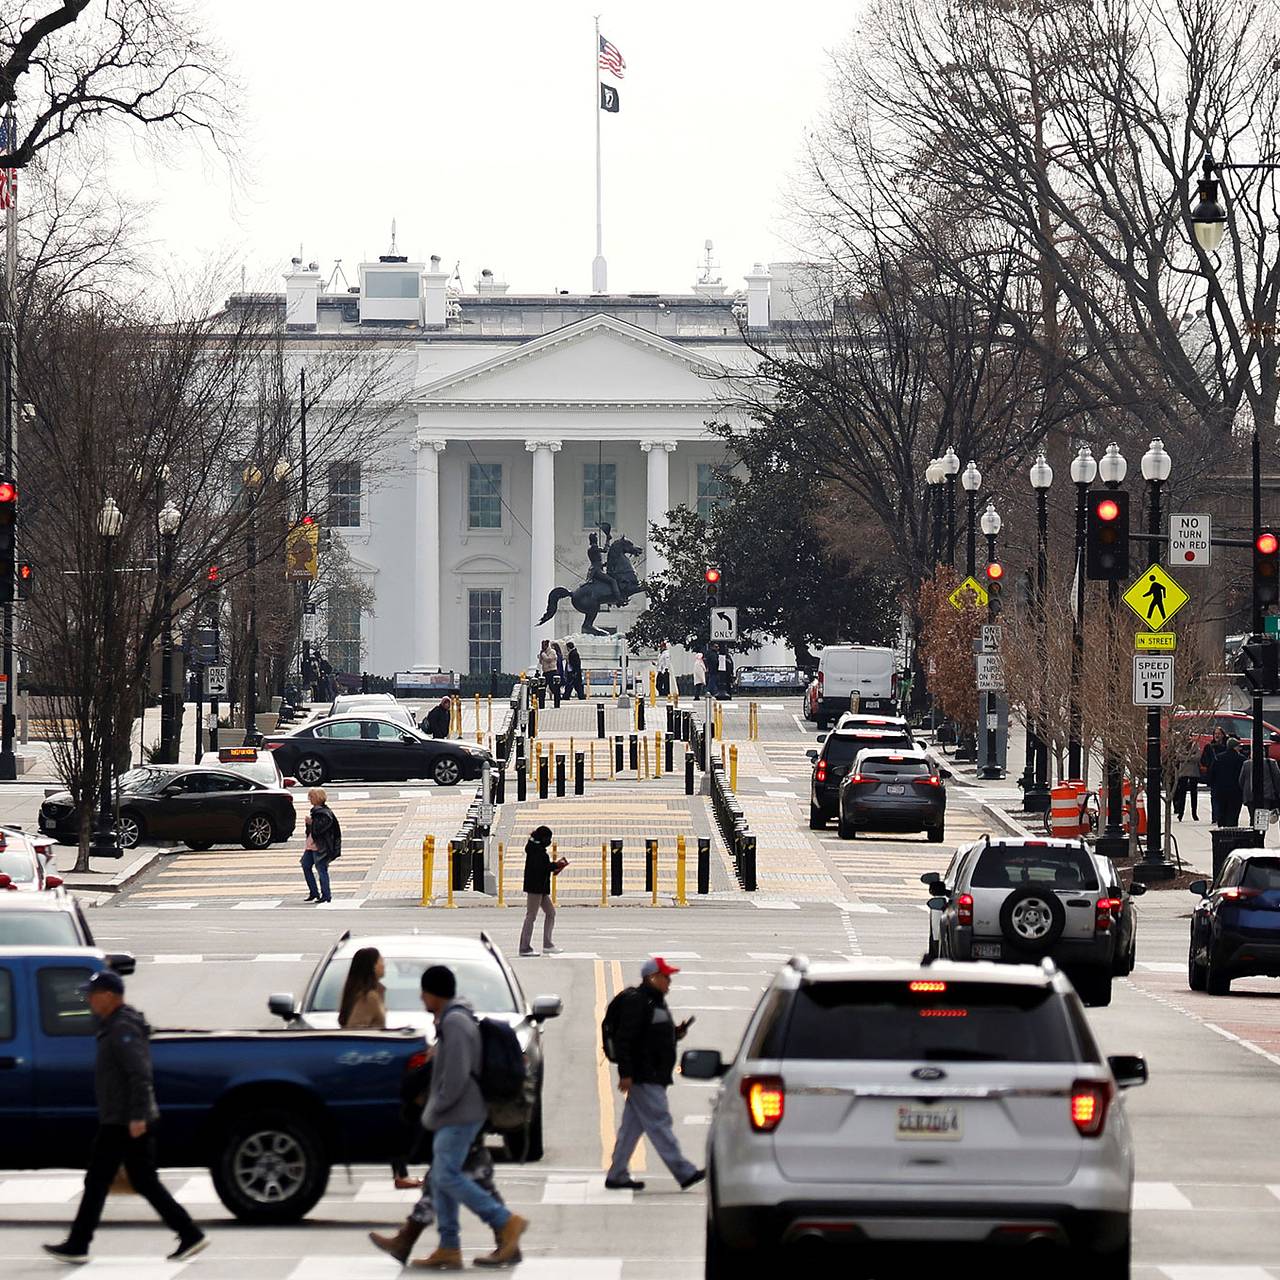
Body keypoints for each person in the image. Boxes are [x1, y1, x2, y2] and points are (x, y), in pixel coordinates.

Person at [43, 971, 207, 1265]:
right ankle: (189, 1233)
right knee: (141, 1181)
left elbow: (140, 1073)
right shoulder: (115, 1025)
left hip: (125, 1121)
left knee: (98, 1181)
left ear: (108, 996)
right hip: (122, 1117)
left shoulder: (122, 1028)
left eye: (93, 994)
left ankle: (79, 1243)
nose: (89, 1000)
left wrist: (136, 1117)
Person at [410, 966, 529, 1269]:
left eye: (424, 991)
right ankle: (449, 1246)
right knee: (442, 1177)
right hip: (456, 1111)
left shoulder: (456, 1023)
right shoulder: (451, 1020)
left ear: (434, 993)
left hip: (461, 1112)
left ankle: (505, 1221)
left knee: (447, 1176)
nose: (421, 997)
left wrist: (434, 1109)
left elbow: (457, 1076)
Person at [604, 957, 704, 1193]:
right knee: (660, 1122)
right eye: (666, 977)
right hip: (645, 1075)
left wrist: (675, 1033)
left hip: (650, 1073)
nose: (669, 981)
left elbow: (652, 1035)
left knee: (631, 1127)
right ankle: (684, 1171)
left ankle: (617, 1174)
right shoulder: (639, 1003)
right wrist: (626, 1073)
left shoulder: (653, 1001)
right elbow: (625, 1040)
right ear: (652, 978)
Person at [519, 825, 567, 957]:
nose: (550, 841)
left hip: (541, 888)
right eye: (549, 838)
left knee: (551, 913)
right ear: (543, 838)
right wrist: (555, 865)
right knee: (531, 916)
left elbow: (543, 867)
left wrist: (554, 866)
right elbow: (541, 868)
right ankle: (524, 947)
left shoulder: (537, 849)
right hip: (535, 888)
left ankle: (548, 944)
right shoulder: (536, 851)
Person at [301, 787, 341, 904]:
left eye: (312, 797)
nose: (310, 799)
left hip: (320, 846)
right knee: (306, 865)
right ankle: (314, 892)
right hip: (312, 845)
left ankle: (326, 894)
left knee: (321, 869)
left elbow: (320, 829)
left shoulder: (324, 813)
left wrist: (311, 823)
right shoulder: (316, 811)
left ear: (318, 798)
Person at [339, 947, 387, 1029]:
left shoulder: (373, 993)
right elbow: (356, 1030)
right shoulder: (368, 998)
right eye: (381, 961)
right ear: (372, 966)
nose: (384, 965)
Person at [1241, 738, 1280, 834]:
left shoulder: (1247, 764)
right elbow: (1277, 779)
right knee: (1263, 818)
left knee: (1252, 817)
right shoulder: (1271, 763)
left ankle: (1253, 836)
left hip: (1250, 795)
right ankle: (1260, 836)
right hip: (1266, 795)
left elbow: (1241, 780)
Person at [1209, 737, 1246, 828]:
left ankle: (1222, 833)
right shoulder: (1241, 759)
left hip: (1221, 790)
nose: (1240, 749)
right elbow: (1244, 776)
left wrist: (1213, 785)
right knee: (1233, 815)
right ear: (1235, 747)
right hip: (1236, 791)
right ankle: (1232, 834)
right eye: (1238, 747)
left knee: (1222, 813)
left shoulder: (1218, 757)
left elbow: (1212, 773)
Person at [1200, 728, 1233, 825]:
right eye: (1215, 734)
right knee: (1214, 796)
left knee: (1224, 797)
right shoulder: (1209, 747)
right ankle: (1215, 816)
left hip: (1225, 775)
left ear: (1223, 735)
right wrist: (1209, 767)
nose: (1217, 735)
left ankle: (1222, 815)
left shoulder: (1226, 747)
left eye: (1219, 733)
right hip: (1214, 775)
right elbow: (1203, 760)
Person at [1173, 735, 1201, 821]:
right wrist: (1190, 757)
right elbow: (1178, 757)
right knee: (1182, 794)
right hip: (1183, 773)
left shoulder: (1196, 745)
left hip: (1194, 773)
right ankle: (1180, 813)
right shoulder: (1180, 746)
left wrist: (1186, 758)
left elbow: (1198, 757)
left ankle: (1194, 813)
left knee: (1194, 794)